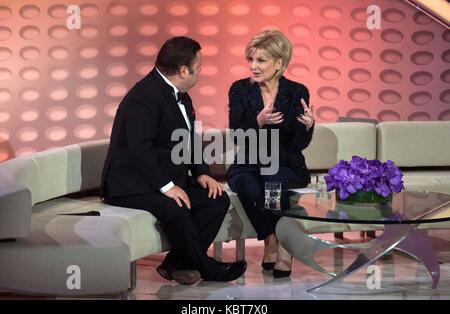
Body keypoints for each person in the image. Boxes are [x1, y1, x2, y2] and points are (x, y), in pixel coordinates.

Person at [101, 36, 247, 285]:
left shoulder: (181, 94)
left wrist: (201, 172)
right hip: (130, 183)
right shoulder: (143, 97)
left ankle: (175, 264)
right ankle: (208, 269)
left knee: (216, 200)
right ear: (183, 70)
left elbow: (187, 138)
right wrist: (167, 187)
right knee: (177, 209)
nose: (200, 71)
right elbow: (140, 150)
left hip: (162, 177)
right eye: (198, 66)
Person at [227, 30, 315, 278]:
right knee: (248, 185)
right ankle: (272, 239)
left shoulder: (297, 91)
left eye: (261, 60)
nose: (254, 66)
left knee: (273, 177)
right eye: (251, 60)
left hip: (286, 164)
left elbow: (298, 144)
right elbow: (236, 135)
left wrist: (308, 127)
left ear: (279, 63)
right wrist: (258, 122)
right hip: (248, 164)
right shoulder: (239, 90)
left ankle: (284, 248)